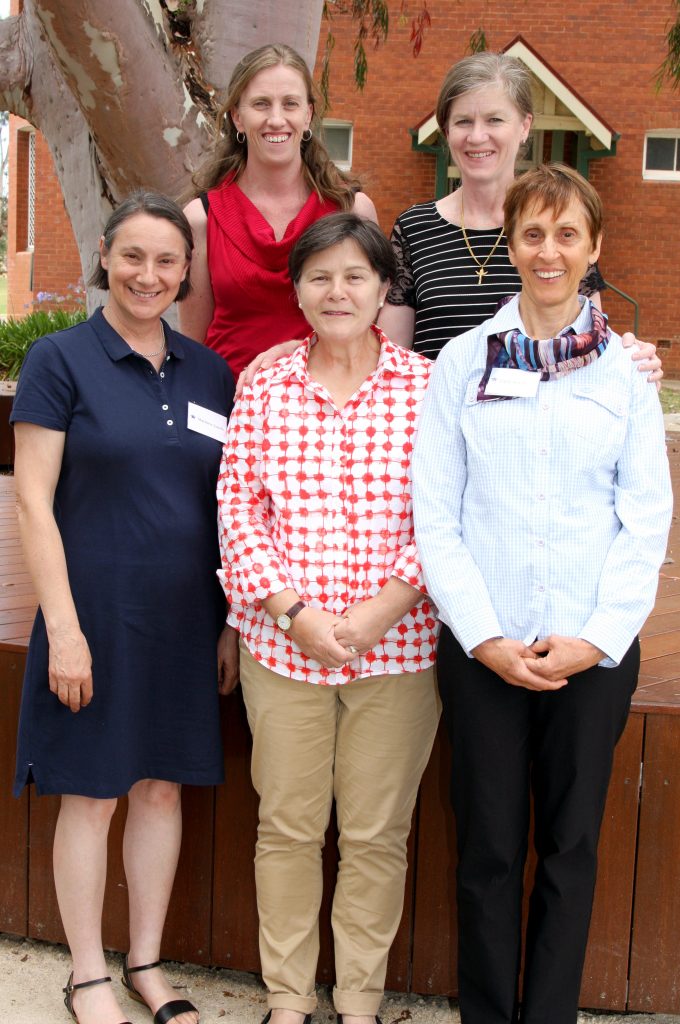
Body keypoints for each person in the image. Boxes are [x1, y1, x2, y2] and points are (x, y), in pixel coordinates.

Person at [411, 164, 673, 1024]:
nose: (548, 250)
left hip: (589, 653)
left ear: (593, 247)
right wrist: (481, 636)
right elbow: (436, 518)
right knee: (486, 849)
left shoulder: (625, 377)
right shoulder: (460, 362)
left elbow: (644, 522)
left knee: (569, 846)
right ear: (509, 245)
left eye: (567, 234)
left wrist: (595, 639)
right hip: (483, 649)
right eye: (532, 233)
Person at [11, 191, 236, 1024]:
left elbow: (230, 508)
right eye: (133, 256)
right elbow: (34, 503)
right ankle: (86, 974)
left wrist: (228, 627)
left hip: (183, 621)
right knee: (93, 793)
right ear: (105, 255)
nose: (149, 275)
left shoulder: (211, 372)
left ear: (186, 273)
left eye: (167, 260)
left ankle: (145, 964)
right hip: (93, 616)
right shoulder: (60, 361)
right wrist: (63, 630)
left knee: (161, 791)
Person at [217, 213, 441, 1024]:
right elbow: (237, 509)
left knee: (376, 836)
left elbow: (449, 516)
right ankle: (287, 999)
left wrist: (384, 608)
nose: (337, 291)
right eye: (319, 276)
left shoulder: (427, 387)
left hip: (400, 650)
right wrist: (293, 612)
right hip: (285, 651)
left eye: (355, 275)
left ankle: (357, 1001)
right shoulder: (265, 384)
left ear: (384, 288)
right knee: (286, 827)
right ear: (298, 291)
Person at [239, 51, 660, 383]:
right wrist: (301, 352)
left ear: (525, 126)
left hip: (537, 442)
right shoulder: (415, 229)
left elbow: (591, 341)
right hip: (438, 439)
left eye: (494, 119)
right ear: (446, 130)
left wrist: (634, 356)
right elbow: (384, 352)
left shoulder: (556, 232)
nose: (477, 137)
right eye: (463, 121)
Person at [180, 42, 377, 380]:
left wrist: (300, 351)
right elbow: (192, 345)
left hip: (325, 405)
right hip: (227, 405)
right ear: (238, 117)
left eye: (290, 104)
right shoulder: (202, 217)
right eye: (261, 104)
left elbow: (369, 330)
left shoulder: (352, 210)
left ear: (308, 114)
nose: (276, 119)